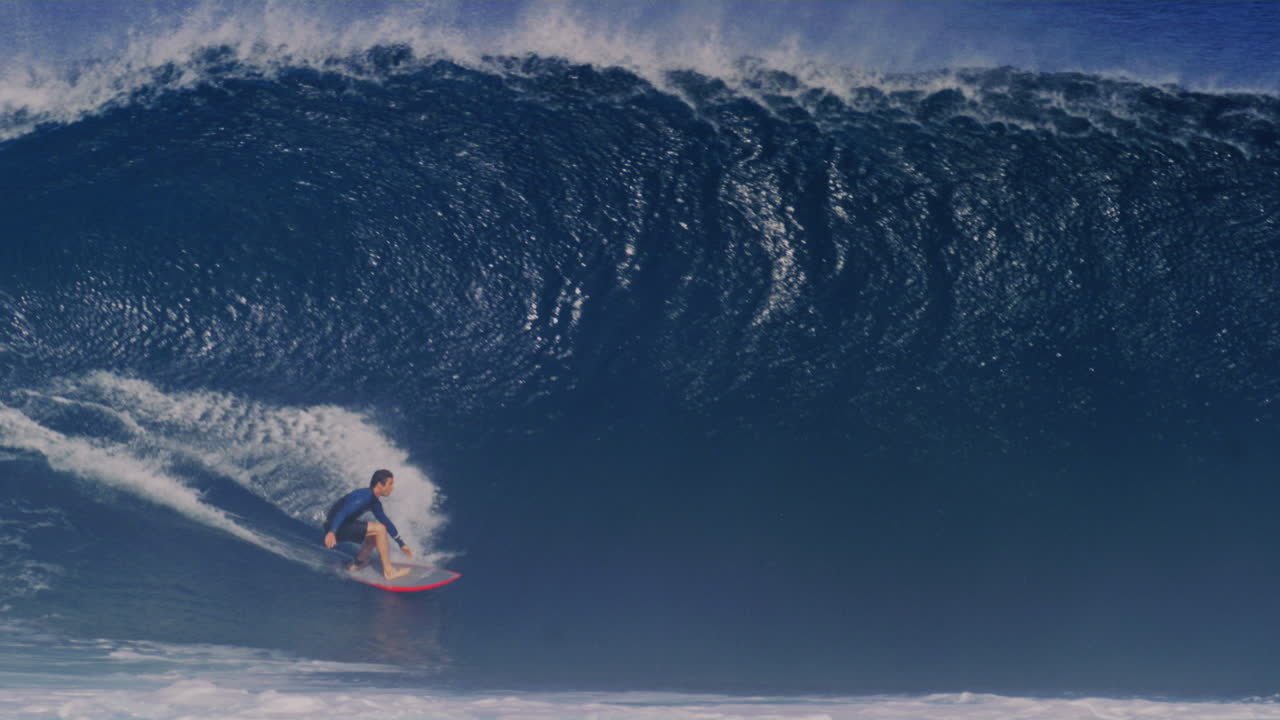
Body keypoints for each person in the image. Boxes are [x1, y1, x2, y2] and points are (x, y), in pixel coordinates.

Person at [323, 469, 413, 580]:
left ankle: (358, 563)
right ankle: (389, 572)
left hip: (341, 524)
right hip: (335, 525)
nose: (392, 487)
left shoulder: (374, 502)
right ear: (380, 484)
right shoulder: (364, 497)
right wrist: (332, 531)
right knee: (379, 529)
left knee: (374, 535)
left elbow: (386, 522)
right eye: (390, 484)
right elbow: (343, 512)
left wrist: (401, 544)